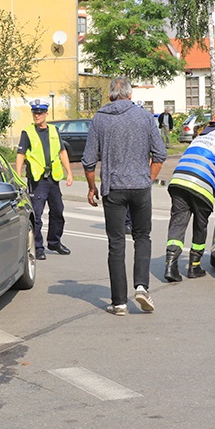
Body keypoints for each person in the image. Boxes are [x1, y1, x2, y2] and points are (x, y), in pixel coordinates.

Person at [82, 76, 167, 315]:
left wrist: (91, 187)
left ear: (110, 96)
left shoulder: (99, 119)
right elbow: (160, 155)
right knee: (143, 237)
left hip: (114, 189)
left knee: (116, 244)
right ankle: (141, 286)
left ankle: (119, 302)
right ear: (131, 95)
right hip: (140, 188)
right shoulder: (145, 117)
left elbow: (88, 161)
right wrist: (147, 179)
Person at [164, 106, 215, 282]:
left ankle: (170, 265)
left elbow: (214, 172)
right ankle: (194, 267)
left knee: (178, 223)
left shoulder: (200, 138)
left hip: (178, 182)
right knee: (200, 225)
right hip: (201, 186)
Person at [15, 99, 73, 260]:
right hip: (37, 180)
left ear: (46, 113)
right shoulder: (27, 132)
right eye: (35, 112)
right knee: (37, 216)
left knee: (58, 212)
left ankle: (54, 242)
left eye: (40, 112)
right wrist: (18, 177)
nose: (37, 115)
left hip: (53, 179)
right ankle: (38, 247)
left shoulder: (54, 130)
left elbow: (62, 152)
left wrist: (69, 172)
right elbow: (20, 155)